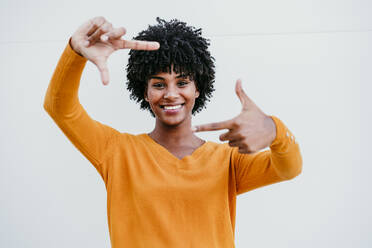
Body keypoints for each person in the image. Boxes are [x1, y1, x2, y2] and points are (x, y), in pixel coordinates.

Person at [44, 16, 302, 248]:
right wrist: (75, 53)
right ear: (144, 91)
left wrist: (274, 129)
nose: (170, 94)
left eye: (182, 82)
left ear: (198, 88)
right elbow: (60, 108)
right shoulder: (116, 151)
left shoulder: (228, 161)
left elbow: (289, 168)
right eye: (158, 84)